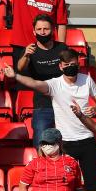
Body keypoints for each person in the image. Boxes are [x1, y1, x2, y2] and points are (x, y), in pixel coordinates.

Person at [2, 50, 96, 191]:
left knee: (92, 184)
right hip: (66, 142)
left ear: (78, 64)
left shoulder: (87, 80)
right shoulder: (55, 84)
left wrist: (95, 108)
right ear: (60, 67)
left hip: (88, 139)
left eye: (73, 64)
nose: (70, 67)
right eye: (66, 64)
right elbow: (35, 83)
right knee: (67, 185)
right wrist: (16, 76)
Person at [15, 14, 67, 144]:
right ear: (34, 31)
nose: (42, 32)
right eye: (39, 29)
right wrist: (26, 55)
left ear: (53, 30)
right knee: (41, 142)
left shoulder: (62, 48)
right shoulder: (31, 50)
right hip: (42, 105)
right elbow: (20, 68)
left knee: (67, 143)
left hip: (64, 103)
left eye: (46, 29)